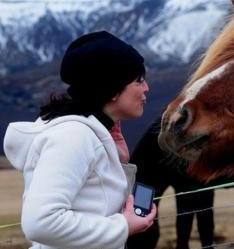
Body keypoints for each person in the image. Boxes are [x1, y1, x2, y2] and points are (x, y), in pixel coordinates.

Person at [3, 30, 156, 249]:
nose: (146, 88)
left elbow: (93, 203)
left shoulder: (87, 134)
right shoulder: (74, 137)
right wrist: (122, 226)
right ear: (113, 87)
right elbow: (40, 223)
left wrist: (119, 160)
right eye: (139, 80)